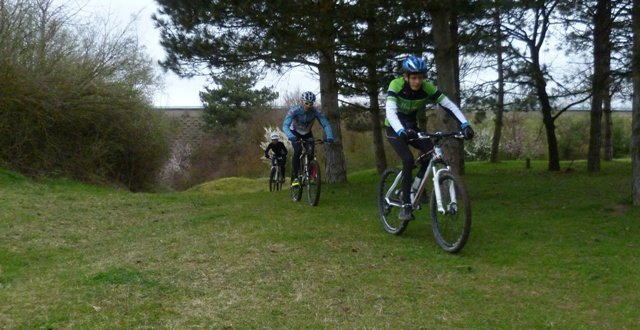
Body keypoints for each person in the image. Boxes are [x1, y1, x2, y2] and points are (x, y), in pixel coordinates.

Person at [385, 55, 474, 221]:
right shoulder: (396, 85)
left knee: (431, 154)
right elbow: (390, 112)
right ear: (406, 77)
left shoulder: (427, 88)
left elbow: (448, 104)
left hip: (411, 127)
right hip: (393, 127)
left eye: (419, 77)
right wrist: (400, 130)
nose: (417, 81)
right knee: (408, 160)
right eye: (413, 78)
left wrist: (465, 125)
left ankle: (414, 188)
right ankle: (405, 206)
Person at [282, 91, 334, 187]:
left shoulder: (315, 112)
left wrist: (330, 136)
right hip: (295, 133)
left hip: (307, 133)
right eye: (306, 103)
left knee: (311, 153)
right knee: (298, 151)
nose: (308, 106)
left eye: (311, 104)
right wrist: (290, 136)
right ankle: (295, 178)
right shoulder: (294, 110)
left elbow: (325, 124)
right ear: (302, 101)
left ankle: (310, 175)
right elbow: (285, 125)